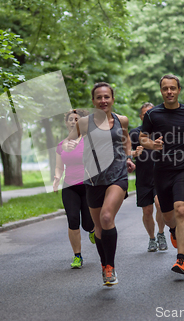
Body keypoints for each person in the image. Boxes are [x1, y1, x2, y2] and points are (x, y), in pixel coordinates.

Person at [63, 82, 135, 286]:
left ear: (112, 99)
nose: (103, 101)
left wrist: (128, 157)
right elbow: (70, 141)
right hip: (93, 179)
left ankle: (110, 267)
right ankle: (104, 266)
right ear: (93, 101)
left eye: (107, 97)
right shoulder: (85, 123)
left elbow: (126, 139)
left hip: (117, 175)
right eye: (99, 97)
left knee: (106, 217)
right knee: (98, 228)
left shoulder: (122, 120)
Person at [139, 75, 184, 275]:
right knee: (169, 218)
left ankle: (181, 259)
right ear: (161, 91)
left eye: (173, 88)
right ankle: (172, 231)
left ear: (179, 90)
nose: (169, 92)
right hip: (160, 170)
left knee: (181, 210)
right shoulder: (153, 115)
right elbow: (143, 138)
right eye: (165, 88)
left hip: (183, 169)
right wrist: (153, 145)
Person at [53, 109, 95, 269]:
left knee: (87, 223)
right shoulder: (61, 145)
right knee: (73, 220)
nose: (73, 121)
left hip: (87, 186)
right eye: (70, 119)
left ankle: (92, 230)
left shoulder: (89, 141)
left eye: (76, 119)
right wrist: (57, 177)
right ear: (66, 122)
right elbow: (59, 167)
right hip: (69, 187)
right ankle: (77, 256)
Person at [129, 102, 167, 252]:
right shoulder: (134, 134)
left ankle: (161, 234)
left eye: (151, 113)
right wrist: (130, 159)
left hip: (160, 177)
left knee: (160, 205)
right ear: (141, 116)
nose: (148, 117)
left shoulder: (162, 133)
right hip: (143, 178)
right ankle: (152, 238)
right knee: (147, 211)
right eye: (145, 114)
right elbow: (127, 152)